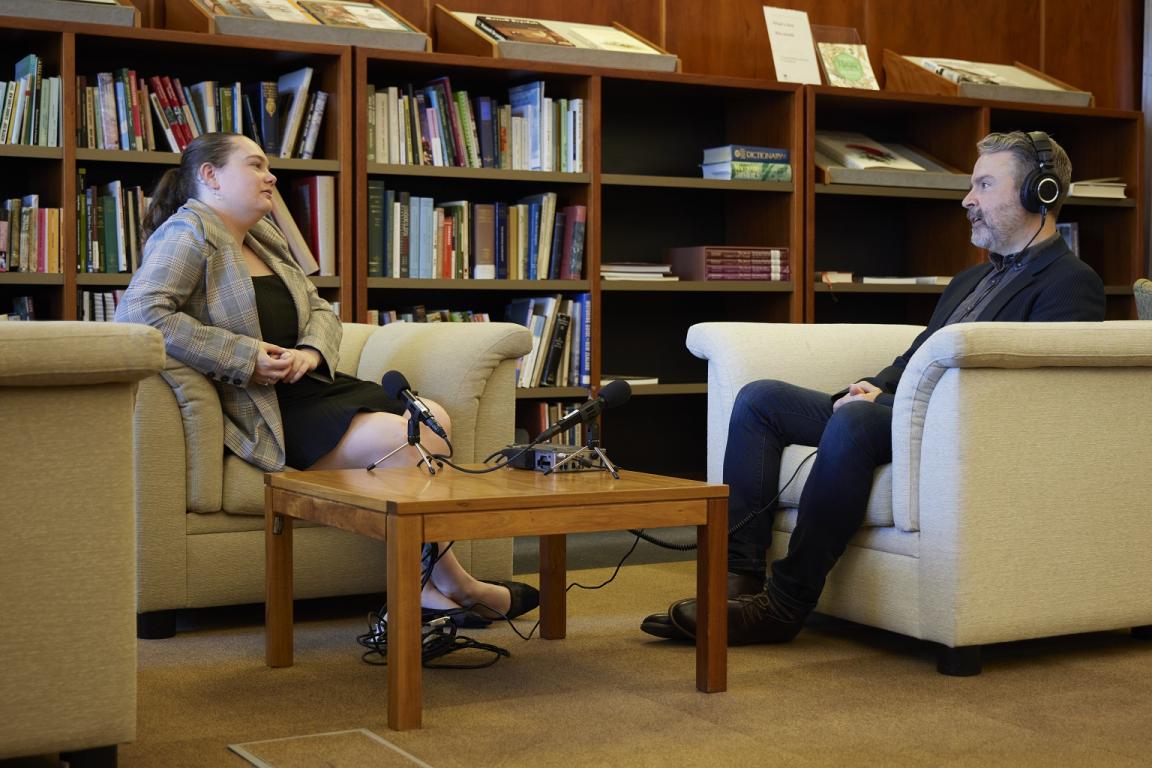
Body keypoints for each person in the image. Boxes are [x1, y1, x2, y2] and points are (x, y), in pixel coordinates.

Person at [641, 130, 1106, 645]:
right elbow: (915, 358)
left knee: (856, 419)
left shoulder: (1070, 282)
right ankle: (735, 586)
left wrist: (883, 403)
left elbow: (1035, 401)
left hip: (956, 430)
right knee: (762, 399)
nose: (967, 200)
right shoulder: (970, 281)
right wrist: (871, 385)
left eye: (984, 185)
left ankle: (785, 603)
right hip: (898, 412)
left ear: (1037, 193)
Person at [116, 132, 537, 625]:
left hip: (314, 388)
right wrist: (246, 356)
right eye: (254, 165)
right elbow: (140, 313)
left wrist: (312, 351)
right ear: (210, 176)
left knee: (433, 419)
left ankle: (440, 585)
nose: (270, 175)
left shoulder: (264, 237)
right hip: (267, 406)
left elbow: (319, 308)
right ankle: (441, 587)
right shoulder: (189, 233)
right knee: (406, 438)